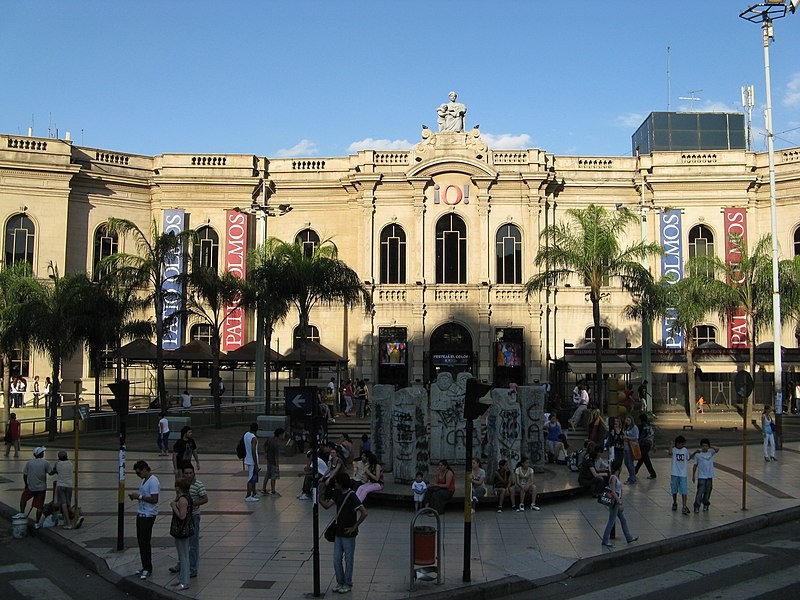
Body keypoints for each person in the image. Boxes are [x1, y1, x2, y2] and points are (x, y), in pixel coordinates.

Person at [320, 472, 368, 594]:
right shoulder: (337, 494)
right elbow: (327, 505)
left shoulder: (352, 496)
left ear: (341, 484)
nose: (334, 484)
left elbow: (364, 512)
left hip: (348, 534)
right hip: (338, 532)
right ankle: (340, 582)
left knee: (348, 559)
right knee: (336, 559)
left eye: (336, 482)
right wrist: (319, 496)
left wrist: (354, 526)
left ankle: (347, 583)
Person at [170, 465, 207, 579]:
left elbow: (205, 499)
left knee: (193, 544)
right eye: (186, 473)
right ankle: (181, 564)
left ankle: (193, 568)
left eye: (190, 473)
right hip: (183, 517)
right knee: (182, 543)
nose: (189, 475)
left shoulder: (198, 485)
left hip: (193, 516)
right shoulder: (181, 485)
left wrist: (189, 504)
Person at [128, 460, 160, 580]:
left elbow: (154, 499)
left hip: (148, 515)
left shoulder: (153, 481)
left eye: (138, 473)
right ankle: (144, 566)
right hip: (141, 513)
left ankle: (148, 567)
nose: (138, 475)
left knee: (145, 541)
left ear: (145, 469)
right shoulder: (144, 481)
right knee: (141, 541)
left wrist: (139, 497)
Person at [600, 459, 638, 548]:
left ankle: (629, 537)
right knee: (611, 521)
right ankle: (605, 540)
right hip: (615, 502)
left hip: (617, 501)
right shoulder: (613, 478)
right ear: (619, 468)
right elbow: (613, 491)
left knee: (623, 520)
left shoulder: (616, 477)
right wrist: (619, 501)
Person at [168, 478, 193, 591]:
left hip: (181, 530)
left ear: (178, 488)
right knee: (183, 555)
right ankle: (182, 578)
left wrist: (174, 506)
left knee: (183, 556)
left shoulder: (183, 500)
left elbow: (182, 516)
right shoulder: (186, 498)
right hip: (184, 529)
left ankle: (184, 581)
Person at [51, 450, 83, 529]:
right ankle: (77, 516)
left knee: (63, 504)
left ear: (59, 457)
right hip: (69, 485)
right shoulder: (70, 463)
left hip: (61, 485)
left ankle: (68, 523)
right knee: (68, 504)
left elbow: (54, 471)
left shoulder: (58, 463)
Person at [20, 446, 51, 527]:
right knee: (39, 506)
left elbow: (25, 475)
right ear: (41, 454)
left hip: (31, 487)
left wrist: (26, 485)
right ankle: (37, 522)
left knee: (23, 499)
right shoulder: (45, 463)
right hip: (41, 488)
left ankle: (22, 513)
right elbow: (50, 472)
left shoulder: (29, 463)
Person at [692, 438, 719, 513]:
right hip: (701, 477)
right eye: (703, 446)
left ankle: (705, 504)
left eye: (706, 446)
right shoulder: (698, 455)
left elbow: (717, 449)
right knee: (700, 492)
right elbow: (695, 466)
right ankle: (697, 506)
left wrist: (710, 446)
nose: (705, 447)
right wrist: (693, 475)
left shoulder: (710, 453)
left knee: (708, 491)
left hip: (709, 476)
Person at [669, 435, 691, 515]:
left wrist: (695, 453)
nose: (682, 446)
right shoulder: (674, 450)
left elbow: (688, 457)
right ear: (677, 444)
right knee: (674, 490)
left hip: (683, 474)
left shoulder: (685, 450)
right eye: (681, 444)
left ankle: (684, 506)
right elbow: (669, 453)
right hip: (675, 473)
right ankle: (674, 502)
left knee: (684, 490)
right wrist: (671, 445)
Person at [261, 428, 284, 496]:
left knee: (267, 475)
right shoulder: (276, 444)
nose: (283, 436)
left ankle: (264, 489)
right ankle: (273, 491)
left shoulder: (270, 439)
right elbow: (276, 456)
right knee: (273, 477)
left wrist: (265, 453)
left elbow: (265, 445)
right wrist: (277, 466)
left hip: (269, 461)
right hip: (273, 462)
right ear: (279, 435)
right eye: (283, 434)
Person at [635, 413, 657, 479]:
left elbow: (638, 436)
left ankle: (653, 473)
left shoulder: (640, 426)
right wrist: (654, 445)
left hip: (643, 443)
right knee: (642, 458)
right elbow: (654, 435)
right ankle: (635, 471)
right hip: (649, 443)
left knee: (645, 459)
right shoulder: (649, 426)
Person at [243, 422, 260, 501]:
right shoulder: (254, 438)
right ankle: (248, 495)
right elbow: (253, 451)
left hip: (247, 458)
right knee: (251, 478)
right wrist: (256, 464)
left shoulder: (246, 434)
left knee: (253, 478)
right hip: (252, 460)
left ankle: (254, 493)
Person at [622, 415, 639, 484]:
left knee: (630, 463)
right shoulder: (626, 428)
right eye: (626, 420)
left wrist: (627, 437)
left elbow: (636, 438)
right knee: (626, 462)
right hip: (625, 447)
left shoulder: (634, 428)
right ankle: (632, 475)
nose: (627, 422)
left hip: (631, 447)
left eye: (629, 420)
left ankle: (632, 478)